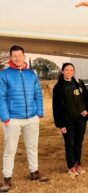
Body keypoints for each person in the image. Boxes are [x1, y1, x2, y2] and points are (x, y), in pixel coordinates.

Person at [0, 45, 48, 192]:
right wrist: (5, 117)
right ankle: (7, 178)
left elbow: (38, 94)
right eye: (14, 56)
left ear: (24, 56)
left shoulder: (31, 74)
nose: (17, 58)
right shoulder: (4, 74)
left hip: (32, 118)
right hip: (13, 119)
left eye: (19, 55)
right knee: (10, 149)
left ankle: (34, 172)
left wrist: (39, 113)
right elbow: (0, 97)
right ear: (10, 58)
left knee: (32, 146)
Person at [52, 63, 88, 178]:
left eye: (71, 70)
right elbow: (56, 107)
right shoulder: (58, 87)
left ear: (73, 72)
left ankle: (77, 164)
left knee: (78, 143)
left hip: (80, 120)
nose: (69, 72)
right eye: (67, 70)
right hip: (67, 121)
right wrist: (61, 124)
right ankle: (71, 167)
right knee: (70, 144)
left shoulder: (79, 84)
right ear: (62, 71)